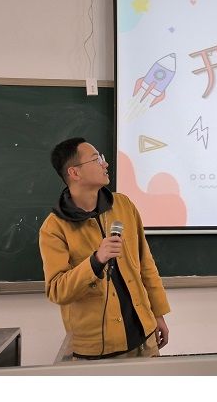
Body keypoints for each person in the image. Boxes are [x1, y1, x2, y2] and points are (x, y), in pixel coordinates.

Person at [39, 137, 171, 360]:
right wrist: (95, 261)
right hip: (97, 349)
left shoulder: (124, 205)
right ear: (74, 173)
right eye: (96, 159)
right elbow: (57, 290)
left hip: (145, 336)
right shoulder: (54, 228)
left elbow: (145, 264)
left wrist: (158, 314)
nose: (105, 163)